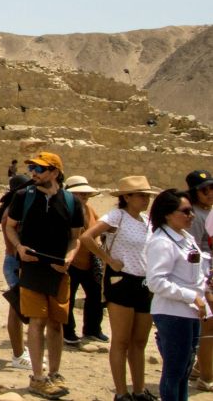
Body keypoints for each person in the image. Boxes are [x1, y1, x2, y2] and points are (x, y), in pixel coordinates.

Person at [6, 152, 84, 400]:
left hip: (59, 270)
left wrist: (70, 257)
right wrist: (18, 248)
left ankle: (55, 372)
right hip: (31, 268)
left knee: (57, 323)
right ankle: (38, 377)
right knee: (36, 322)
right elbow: (10, 226)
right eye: (32, 168)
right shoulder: (23, 197)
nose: (33, 173)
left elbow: (76, 236)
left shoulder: (72, 202)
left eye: (39, 169)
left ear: (54, 172)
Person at [81, 176, 157, 401]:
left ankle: (139, 390)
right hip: (121, 280)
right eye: (141, 195)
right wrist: (108, 259)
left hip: (144, 283)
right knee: (121, 340)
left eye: (147, 195)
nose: (146, 199)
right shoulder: (117, 216)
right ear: (127, 197)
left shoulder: (146, 220)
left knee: (140, 341)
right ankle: (121, 392)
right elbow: (87, 237)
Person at [145, 189, 211, 401]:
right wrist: (192, 297)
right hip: (172, 313)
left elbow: (194, 274)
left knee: (184, 370)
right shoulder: (162, 242)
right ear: (167, 214)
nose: (191, 215)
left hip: (189, 312)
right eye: (185, 211)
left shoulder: (185, 237)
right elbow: (156, 282)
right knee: (174, 372)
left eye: (191, 211)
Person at [0, 173, 34, 370]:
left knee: (18, 309)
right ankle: (18, 355)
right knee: (16, 310)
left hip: (14, 261)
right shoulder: (13, 213)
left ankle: (21, 351)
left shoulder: (11, 209)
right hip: (15, 262)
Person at [63, 176, 107, 346]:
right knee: (68, 299)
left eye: (86, 194)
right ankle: (68, 332)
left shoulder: (89, 209)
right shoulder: (66, 210)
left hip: (90, 261)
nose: (85, 197)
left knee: (96, 297)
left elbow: (98, 227)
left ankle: (92, 330)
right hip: (71, 261)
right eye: (81, 194)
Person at [185, 171, 213, 392]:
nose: (210, 193)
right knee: (208, 328)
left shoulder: (208, 212)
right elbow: (193, 251)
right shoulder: (193, 215)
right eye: (205, 189)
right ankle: (206, 376)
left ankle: (198, 368)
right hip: (203, 275)